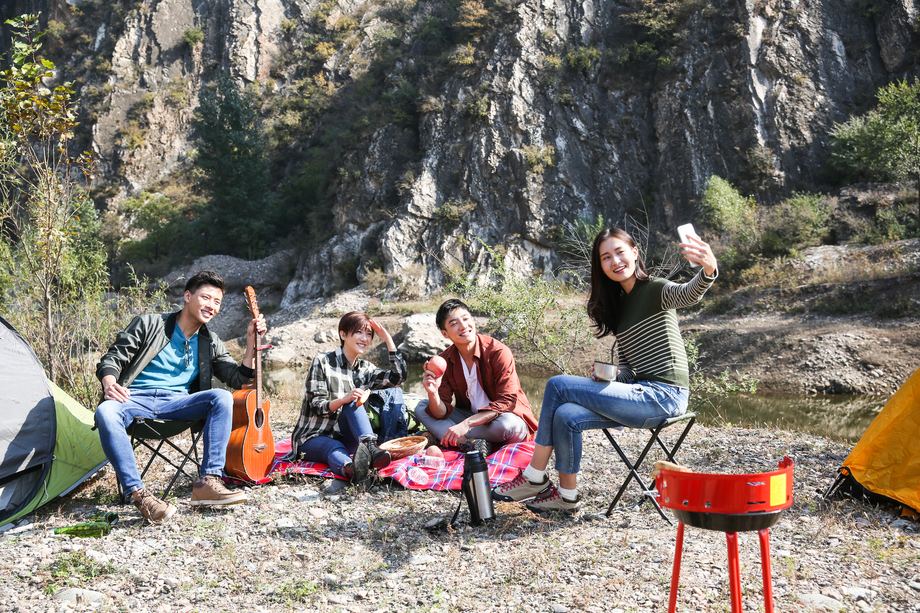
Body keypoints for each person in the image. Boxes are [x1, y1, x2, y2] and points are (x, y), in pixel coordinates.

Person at [492, 227, 718, 513]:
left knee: (557, 385)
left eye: (620, 252)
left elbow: (688, 294)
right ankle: (566, 496)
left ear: (634, 253)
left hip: (664, 396)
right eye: (606, 257)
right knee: (565, 414)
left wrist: (708, 269)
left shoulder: (656, 289)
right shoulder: (621, 308)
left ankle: (534, 477)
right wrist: (612, 375)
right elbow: (630, 369)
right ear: (600, 266)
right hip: (640, 394)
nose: (615, 261)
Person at [95, 270, 267, 523]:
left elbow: (238, 378)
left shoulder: (210, 342)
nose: (211, 306)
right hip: (134, 399)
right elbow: (113, 358)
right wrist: (109, 383)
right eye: (205, 298)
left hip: (177, 402)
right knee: (105, 411)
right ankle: (140, 496)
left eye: (217, 302)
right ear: (187, 296)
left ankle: (209, 482)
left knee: (222, 397)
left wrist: (251, 342)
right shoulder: (148, 323)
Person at [287, 312, 406, 483]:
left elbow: (398, 378)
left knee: (353, 402)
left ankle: (371, 448)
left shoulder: (367, 369)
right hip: (312, 437)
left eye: (369, 334)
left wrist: (388, 339)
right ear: (343, 335)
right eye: (359, 332)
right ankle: (353, 470)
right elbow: (316, 406)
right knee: (334, 446)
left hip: (346, 437)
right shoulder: (322, 362)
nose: (364, 338)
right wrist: (343, 399)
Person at [414, 299, 538, 456]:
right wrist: (433, 393)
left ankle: (444, 438)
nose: (463, 326)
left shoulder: (498, 352)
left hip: (501, 418)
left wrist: (466, 424)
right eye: (454, 323)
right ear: (445, 333)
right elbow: (440, 413)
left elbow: (507, 401)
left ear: (473, 321)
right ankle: (467, 443)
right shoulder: (445, 360)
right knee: (422, 407)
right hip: (473, 419)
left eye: (466, 319)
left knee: (508, 425)